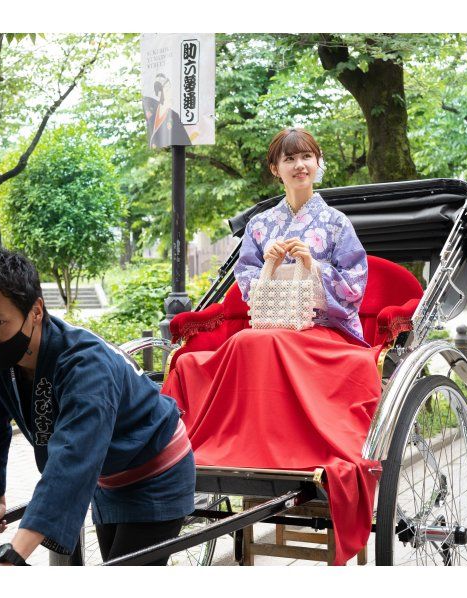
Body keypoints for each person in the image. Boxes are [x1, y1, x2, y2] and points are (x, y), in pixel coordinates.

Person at [160, 128, 383, 566]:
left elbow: (355, 286)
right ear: (275, 169)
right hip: (272, 321)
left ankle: (290, 449)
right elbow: (246, 282)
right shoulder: (262, 225)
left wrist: (311, 265)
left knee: (265, 344)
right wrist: (272, 264)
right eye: (290, 159)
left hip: (322, 328)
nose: (300, 165)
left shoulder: (337, 223)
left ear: (318, 164)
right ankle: (239, 448)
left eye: (308, 157)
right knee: (245, 341)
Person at [0, 246, 195, 566]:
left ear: (36, 310)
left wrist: (13, 556)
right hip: (108, 476)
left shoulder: (85, 364)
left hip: (157, 467)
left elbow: (73, 456)